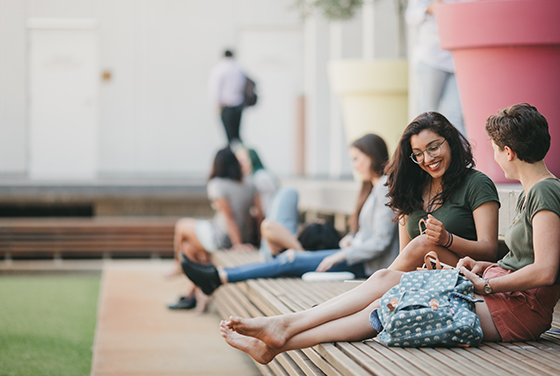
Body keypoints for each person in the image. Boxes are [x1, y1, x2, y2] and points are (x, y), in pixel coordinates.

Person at [219, 103, 559, 362]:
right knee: (386, 294)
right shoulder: (535, 191)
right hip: (501, 296)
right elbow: (520, 259)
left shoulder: (543, 191)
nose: (495, 156)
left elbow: (545, 270)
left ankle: (285, 334)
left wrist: (485, 281)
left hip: (517, 309)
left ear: (509, 152)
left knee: (390, 304)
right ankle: (282, 334)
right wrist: (484, 270)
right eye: (417, 154)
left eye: (497, 149)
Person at [180, 133, 400, 296]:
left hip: (364, 265)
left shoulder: (383, 187)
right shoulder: (371, 189)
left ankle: (218, 276)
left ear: (372, 156)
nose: (354, 166)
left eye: (356, 159)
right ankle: (217, 275)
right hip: (356, 257)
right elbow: (369, 235)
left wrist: (342, 254)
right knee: (288, 258)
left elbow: (381, 241)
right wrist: (351, 239)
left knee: (290, 259)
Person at [168, 147, 263, 310]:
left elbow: (229, 217)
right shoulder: (250, 184)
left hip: (222, 236)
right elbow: (260, 214)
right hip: (241, 235)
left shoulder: (217, 184)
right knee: (189, 248)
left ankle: (178, 266)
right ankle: (195, 294)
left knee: (181, 225)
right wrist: (259, 241)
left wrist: (237, 243)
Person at [406, 0, 466, 135]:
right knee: (426, 114)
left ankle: (460, 155)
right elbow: (411, 17)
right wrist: (429, 8)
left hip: (457, 60)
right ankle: (418, 153)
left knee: (456, 115)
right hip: (431, 59)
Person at [208, 50, 248, 145]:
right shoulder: (239, 68)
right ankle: (240, 154)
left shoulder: (219, 68)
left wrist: (216, 104)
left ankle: (234, 156)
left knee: (229, 136)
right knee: (236, 134)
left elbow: (215, 88)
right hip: (238, 105)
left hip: (226, 106)